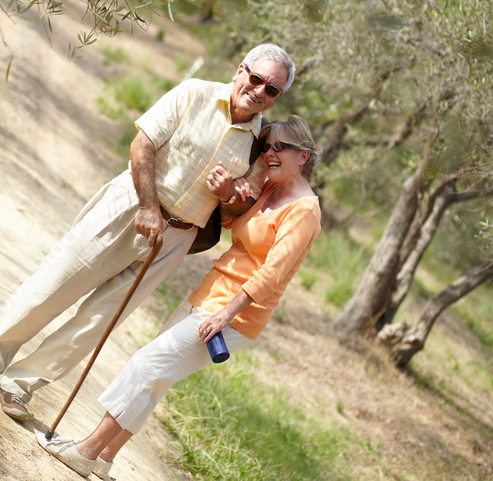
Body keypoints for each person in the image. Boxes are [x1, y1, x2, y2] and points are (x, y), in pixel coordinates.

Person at [0, 44, 296, 422]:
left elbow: (234, 210)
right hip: (130, 208)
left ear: (276, 98)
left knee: (99, 321)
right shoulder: (193, 93)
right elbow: (143, 143)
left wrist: (227, 196)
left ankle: (20, 385)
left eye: (272, 90)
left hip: (176, 239)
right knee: (54, 284)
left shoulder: (258, 144)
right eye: (256, 79)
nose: (259, 91)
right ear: (240, 71)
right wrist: (149, 207)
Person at [38, 115, 321, 479]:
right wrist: (231, 196)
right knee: (158, 377)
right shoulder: (270, 190)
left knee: (147, 365)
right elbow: (234, 225)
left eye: (280, 147)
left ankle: (85, 452)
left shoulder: (304, 211)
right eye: (266, 147)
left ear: (304, 156)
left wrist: (225, 316)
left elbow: (273, 274)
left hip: (234, 315)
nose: (269, 153)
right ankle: (105, 458)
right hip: (207, 294)